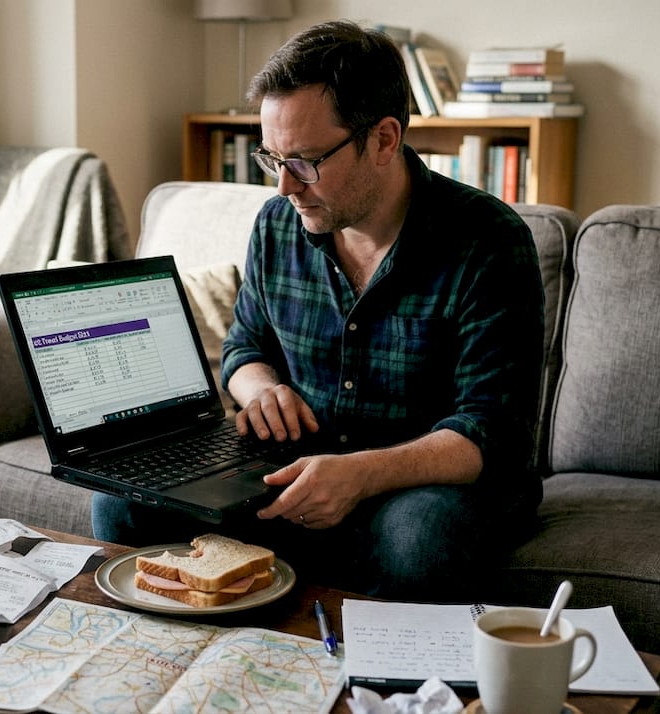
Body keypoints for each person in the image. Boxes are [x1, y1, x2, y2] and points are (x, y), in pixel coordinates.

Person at [92, 20, 546, 602]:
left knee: (419, 538)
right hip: (300, 468)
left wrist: (359, 473)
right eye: (271, 158)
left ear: (383, 139)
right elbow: (244, 347)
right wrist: (259, 389)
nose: (283, 186)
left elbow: (491, 433)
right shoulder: (278, 225)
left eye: (304, 162)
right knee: (122, 500)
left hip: (424, 482)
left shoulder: (488, 241)